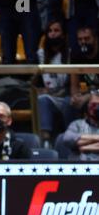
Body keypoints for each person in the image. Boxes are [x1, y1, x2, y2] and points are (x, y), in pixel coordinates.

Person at [35, 19, 76, 147]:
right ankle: (46, 142)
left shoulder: (70, 53)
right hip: (50, 97)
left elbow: (72, 86)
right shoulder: (40, 54)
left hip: (65, 96)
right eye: (50, 31)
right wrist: (40, 90)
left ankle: (69, 138)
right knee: (42, 99)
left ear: (63, 34)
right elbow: (34, 83)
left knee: (68, 102)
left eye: (56, 30)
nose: (52, 34)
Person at [63, 90, 99, 160]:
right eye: (94, 105)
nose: (97, 108)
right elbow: (67, 139)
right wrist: (97, 138)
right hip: (79, 166)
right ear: (87, 106)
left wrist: (84, 146)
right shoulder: (77, 124)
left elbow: (78, 143)